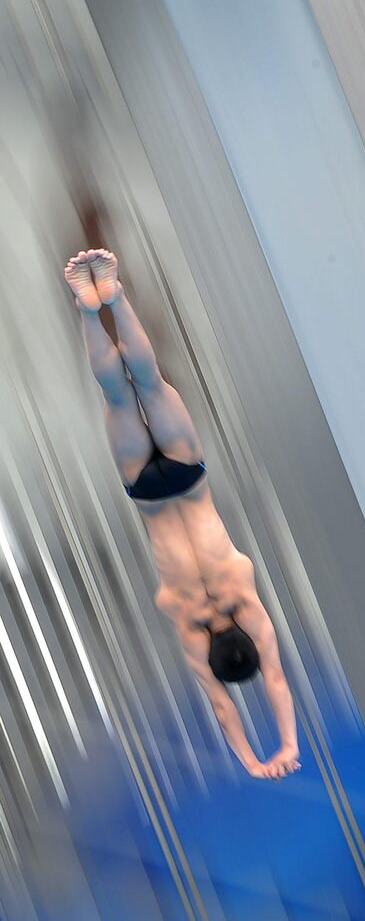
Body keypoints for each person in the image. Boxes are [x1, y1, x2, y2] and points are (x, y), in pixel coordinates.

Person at [64, 248, 301, 778]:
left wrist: (285, 746)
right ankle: (88, 306)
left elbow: (278, 683)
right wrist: (249, 759)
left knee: (147, 383)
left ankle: (114, 295)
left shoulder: (246, 603)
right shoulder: (186, 622)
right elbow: (221, 704)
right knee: (117, 394)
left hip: (188, 478)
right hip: (146, 492)